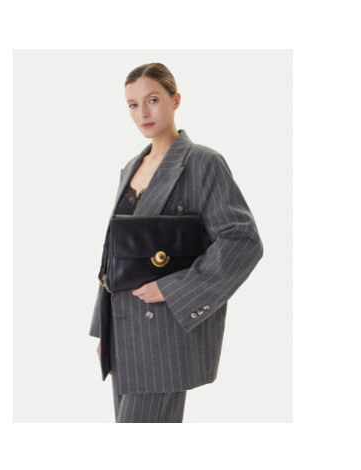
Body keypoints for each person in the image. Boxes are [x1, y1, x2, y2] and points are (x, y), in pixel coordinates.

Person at [89, 62, 264, 423]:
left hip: (164, 334)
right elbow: (116, 253)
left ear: (175, 99)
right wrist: (105, 330)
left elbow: (242, 241)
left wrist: (173, 289)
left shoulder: (203, 163)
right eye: (133, 105)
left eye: (153, 100)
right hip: (123, 332)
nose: (143, 113)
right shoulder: (130, 167)